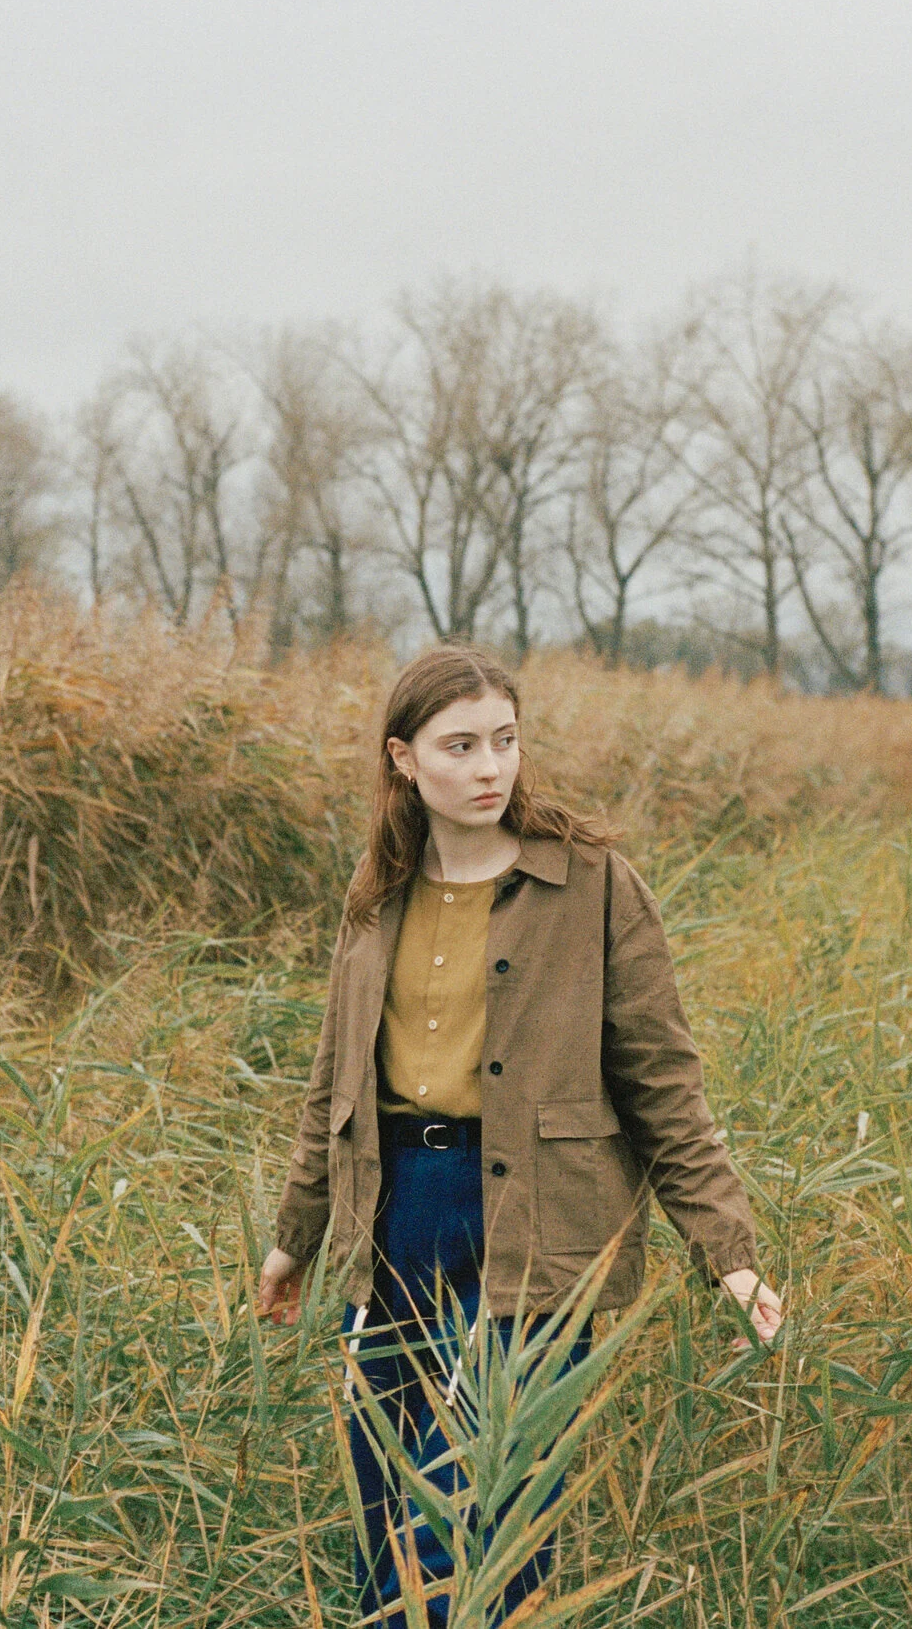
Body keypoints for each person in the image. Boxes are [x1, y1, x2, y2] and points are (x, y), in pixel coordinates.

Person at [256, 644, 783, 1625]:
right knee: (384, 1496)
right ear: (402, 758)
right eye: (459, 745)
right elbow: (330, 1082)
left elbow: (664, 1087)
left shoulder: (592, 885)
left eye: (504, 739)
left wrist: (730, 1254)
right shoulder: (375, 894)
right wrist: (294, 1237)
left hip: (538, 1226)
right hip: (394, 1211)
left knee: (473, 1498)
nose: (490, 766)